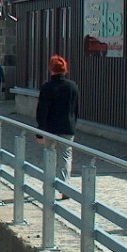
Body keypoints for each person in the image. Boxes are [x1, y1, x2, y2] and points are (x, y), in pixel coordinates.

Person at [35, 54, 79, 196]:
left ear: (51, 69)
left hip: (49, 129)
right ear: (65, 69)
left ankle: (48, 187)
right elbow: (75, 109)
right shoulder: (72, 87)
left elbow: (42, 111)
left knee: (49, 156)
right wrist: (73, 124)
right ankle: (64, 187)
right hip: (67, 127)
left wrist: (39, 131)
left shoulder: (47, 87)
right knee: (65, 157)